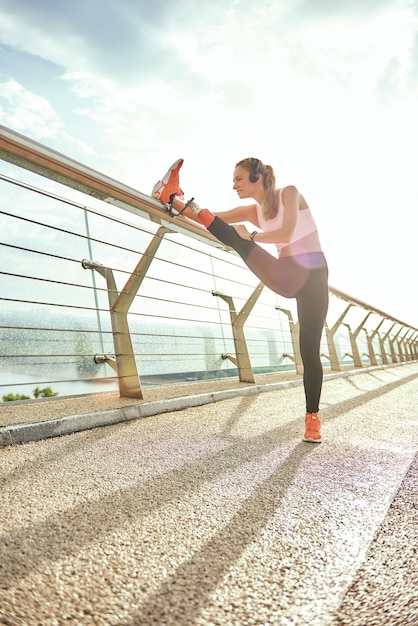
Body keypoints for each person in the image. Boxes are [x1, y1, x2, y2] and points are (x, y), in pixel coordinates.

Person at [152, 158, 329, 443]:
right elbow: (211, 220)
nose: (233, 185)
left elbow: (287, 233)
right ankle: (170, 194)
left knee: (309, 350)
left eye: (239, 179)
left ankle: (312, 420)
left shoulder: (290, 193)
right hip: (285, 274)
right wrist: (177, 206)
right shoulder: (252, 212)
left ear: (258, 177)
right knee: (234, 237)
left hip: (314, 277)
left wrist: (255, 234)